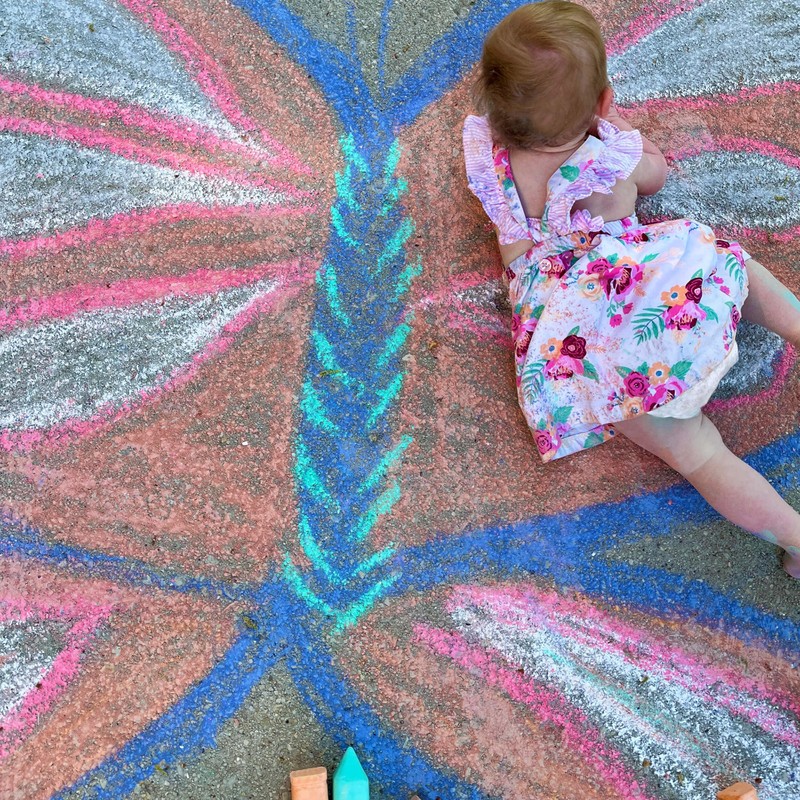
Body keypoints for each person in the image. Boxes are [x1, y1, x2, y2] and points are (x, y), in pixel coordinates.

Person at [462, 0, 800, 576]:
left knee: (698, 454)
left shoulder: (492, 165)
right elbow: (657, 175)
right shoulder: (611, 158)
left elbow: (518, 247)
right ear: (602, 103)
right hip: (659, 293)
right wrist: (633, 150)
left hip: (586, 341)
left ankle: (795, 538)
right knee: (731, 272)